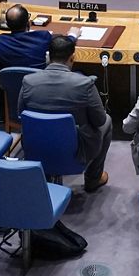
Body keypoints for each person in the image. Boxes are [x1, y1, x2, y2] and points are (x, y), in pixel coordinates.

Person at [18, 35, 112, 192]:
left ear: (48, 56)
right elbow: (99, 120)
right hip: (75, 148)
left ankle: (46, 174)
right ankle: (93, 178)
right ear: (72, 58)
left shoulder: (28, 81)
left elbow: (21, 115)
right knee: (107, 121)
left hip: (37, 143)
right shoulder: (85, 84)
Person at [0, 4, 54, 69]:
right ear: (28, 23)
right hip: (38, 78)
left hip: (11, 78)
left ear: (7, 25)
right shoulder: (43, 37)